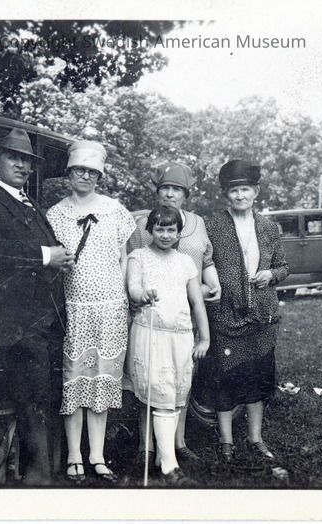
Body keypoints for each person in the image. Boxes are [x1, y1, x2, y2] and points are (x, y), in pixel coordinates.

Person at [0, 128, 75, 485]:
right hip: (10, 322)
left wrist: (59, 258)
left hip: (42, 320)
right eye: (14, 158)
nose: (22, 166)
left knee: (42, 397)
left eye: (27, 160)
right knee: (33, 397)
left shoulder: (31, 205)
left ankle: (40, 473)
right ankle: (39, 479)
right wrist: (46, 256)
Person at [46, 140, 136, 483]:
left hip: (111, 308)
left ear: (99, 176)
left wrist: (124, 296)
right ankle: (74, 455)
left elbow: (125, 258)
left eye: (92, 172)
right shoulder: (55, 214)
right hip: (75, 308)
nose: (85, 176)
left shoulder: (115, 210)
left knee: (102, 381)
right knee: (75, 379)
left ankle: (97, 455)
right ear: (69, 173)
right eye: (79, 170)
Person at [125, 162, 221, 465]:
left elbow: (206, 261)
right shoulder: (141, 223)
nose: (170, 194)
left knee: (179, 382)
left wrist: (213, 284)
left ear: (186, 194)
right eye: (165, 188)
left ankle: (177, 443)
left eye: (176, 189)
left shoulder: (197, 224)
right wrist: (138, 296)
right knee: (150, 382)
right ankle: (147, 446)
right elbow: (132, 271)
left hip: (183, 316)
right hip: (150, 317)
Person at [202, 159, 289, 464]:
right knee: (225, 378)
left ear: (256, 192)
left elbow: (283, 266)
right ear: (226, 194)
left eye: (245, 190)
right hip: (225, 314)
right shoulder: (212, 226)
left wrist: (271, 275)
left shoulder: (268, 227)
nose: (240, 196)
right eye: (233, 190)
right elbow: (201, 263)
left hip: (262, 315)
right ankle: (226, 441)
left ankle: (256, 438)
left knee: (257, 378)